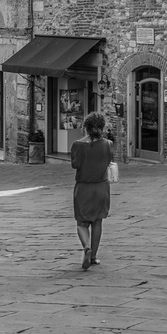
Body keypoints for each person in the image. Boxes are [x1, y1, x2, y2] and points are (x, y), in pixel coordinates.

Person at [72, 112, 113, 271]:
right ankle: (94, 256)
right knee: (98, 222)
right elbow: (109, 160)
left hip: (83, 187)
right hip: (101, 187)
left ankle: (86, 248)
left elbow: (75, 165)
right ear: (102, 127)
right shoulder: (108, 144)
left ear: (86, 128)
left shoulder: (77, 145)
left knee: (82, 223)